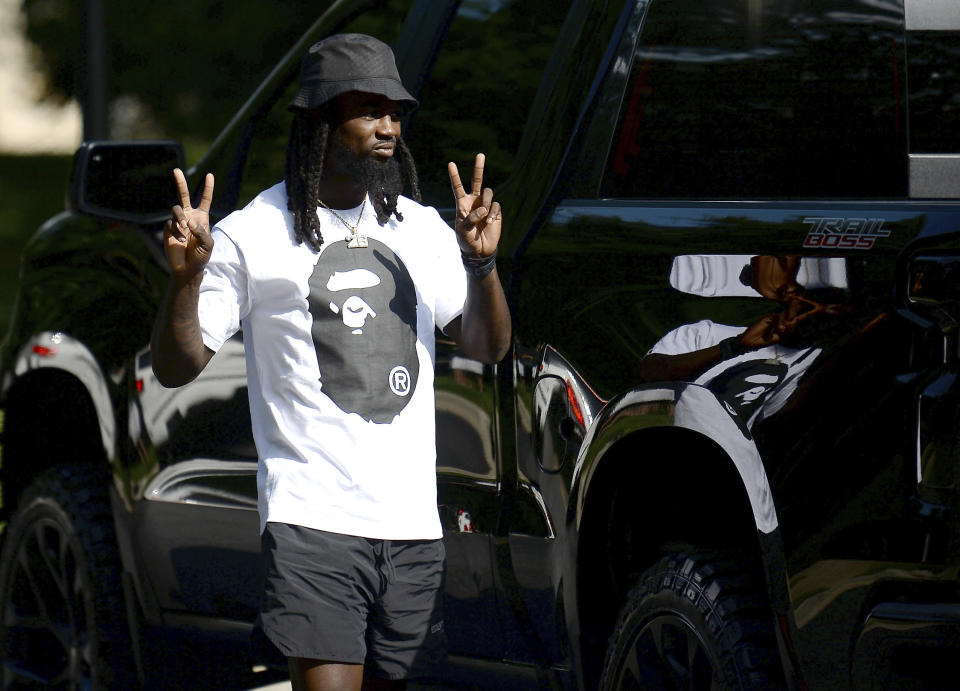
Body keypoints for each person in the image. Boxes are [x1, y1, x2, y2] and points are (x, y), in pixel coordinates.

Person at [150, 33, 511, 691]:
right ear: (321, 117)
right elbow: (177, 366)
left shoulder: (420, 228)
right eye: (369, 109)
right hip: (313, 520)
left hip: (411, 528)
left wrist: (482, 265)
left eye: (396, 112)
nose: (388, 127)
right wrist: (185, 282)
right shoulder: (255, 233)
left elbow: (488, 345)